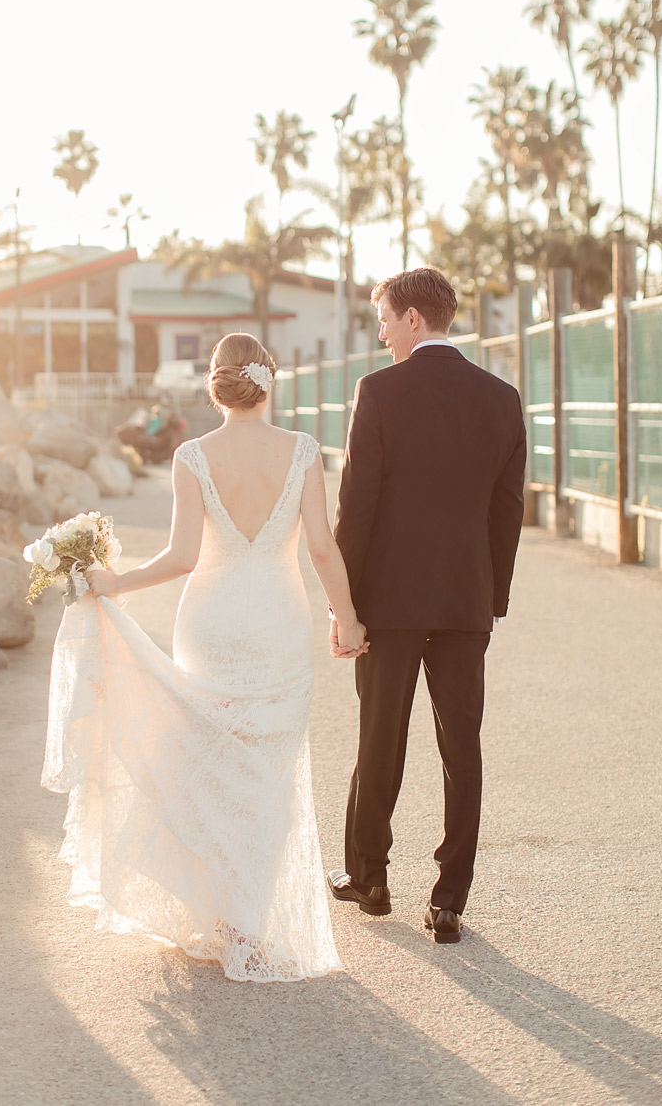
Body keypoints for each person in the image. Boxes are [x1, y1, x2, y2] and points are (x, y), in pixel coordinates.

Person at [41, 331, 367, 982]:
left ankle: (225, 916)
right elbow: (323, 550)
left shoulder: (191, 455)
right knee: (267, 778)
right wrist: (350, 620)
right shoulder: (303, 452)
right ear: (269, 379)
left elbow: (183, 556)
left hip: (211, 622)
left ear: (217, 383)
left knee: (210, 766)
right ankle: (247, 924)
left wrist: (113, 581)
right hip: (278, 619)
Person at [327, 268, 526, 944]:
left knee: (379, 738)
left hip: (388, 602)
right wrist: (489, 598)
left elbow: (357, 508)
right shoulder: (502, 398)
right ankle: (449, 900)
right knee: (460, 747)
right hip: (466, 603)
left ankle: (370, 878)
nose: (379, 332)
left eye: (384, 318)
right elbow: (508, 511)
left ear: (414, 319)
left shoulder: (379, 392)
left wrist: (344, 607)